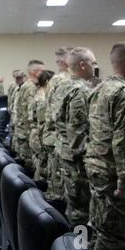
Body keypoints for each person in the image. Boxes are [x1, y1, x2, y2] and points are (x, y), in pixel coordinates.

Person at [86, 41, 125, 250]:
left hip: (97, 170)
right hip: (114, 178)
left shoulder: (100, 88)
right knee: (114, 238)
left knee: (98, 228)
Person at [56, 47, 98, 226]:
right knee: (80, 211)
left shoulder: (62, 86)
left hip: (64, 152)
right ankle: (78, 248)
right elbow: (77, 136)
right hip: (77, 160)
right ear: (82, 65)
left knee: (73, 205)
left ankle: (73, 246)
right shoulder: (80, 90)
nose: (96, 66)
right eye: (93, 63)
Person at [43, 47, 73, 206]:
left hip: (56, 137)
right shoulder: (63, 80)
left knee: (57, 179)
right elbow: (59, 114)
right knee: (62, 184)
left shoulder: (57, 79)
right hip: (62, 139)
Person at [12, 60, 44, 171]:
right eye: (42, 71)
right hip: (27, 131)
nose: (43, 74)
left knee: (25, 164)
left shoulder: (27, 85)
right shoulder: (31, 87)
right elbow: (31, 113)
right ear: (35, 72)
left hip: (23, 130)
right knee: (29, 166)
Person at [29, 70, 54, 182]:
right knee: (42, 169)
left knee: (39, 165)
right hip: (40, 137)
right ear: (48, 81)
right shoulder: (43, 98)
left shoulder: (38, 94)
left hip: (36, 134)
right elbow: (43, 123)